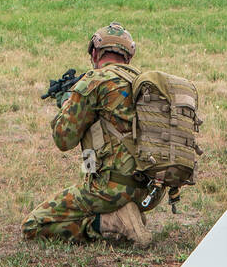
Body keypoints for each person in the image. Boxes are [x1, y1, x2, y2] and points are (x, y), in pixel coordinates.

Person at [22, 22, 150, 244]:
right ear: (128, 57)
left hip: (111, 189)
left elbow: (64, 139)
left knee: (32, 227)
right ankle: (126, 214)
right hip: (148, 190)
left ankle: (111, 223)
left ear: (94, 52)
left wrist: (68, 104)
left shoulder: (93, 82)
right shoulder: (143, 82)